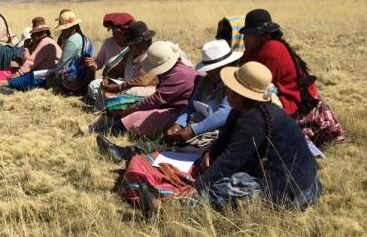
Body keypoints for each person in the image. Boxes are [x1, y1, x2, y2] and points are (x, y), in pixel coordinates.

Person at [193, 62, 322, 210]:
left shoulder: (254, 119)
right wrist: (211, 152)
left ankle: (185, 204)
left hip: (294, 190)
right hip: (305, 180)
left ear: (239, 94)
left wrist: (198, 187)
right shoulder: (241, 110)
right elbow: (225, 140)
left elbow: (232, 160)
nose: (226, 91)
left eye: (230, 88)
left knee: (218, 190)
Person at [97, 39, 242, 161]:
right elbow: (191, 105)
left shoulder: (234, 84)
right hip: (197, 123)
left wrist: (193, 131)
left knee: (184, 148)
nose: (209, 72)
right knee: (169, 140)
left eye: (213, 69)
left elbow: (223, 114)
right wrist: (179, 124)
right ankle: (127, 153)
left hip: (218, 133)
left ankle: (136, 157)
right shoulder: (207, 81)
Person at [240, 9, 344, 145]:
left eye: (249, 35)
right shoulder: (256, 50)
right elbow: (243, 67)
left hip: (295, 106)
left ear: (264, 36)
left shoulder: (271, 51)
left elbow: (257, 86)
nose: (244, 39)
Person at [99, 41, 198, 138]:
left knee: (138, 116)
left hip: (181, 111)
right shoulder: (174, 70)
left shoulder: (179, 74)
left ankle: (101, 129)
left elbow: (156, 100)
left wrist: (130, 110)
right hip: (172, 106)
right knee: (128, 104)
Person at [0, 17, 62, 91]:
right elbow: (26, 62)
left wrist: (17, 74)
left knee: (27, 77)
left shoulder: (46, 42)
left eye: (36, 33)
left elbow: (31, 62)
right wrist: (26, 47)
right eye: (33, 33)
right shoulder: (37, 43)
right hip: (40, 72)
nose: (33, 36)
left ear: (43, 33)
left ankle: (1, 84)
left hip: (49, 75)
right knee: (14, 71)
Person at [52, 10, 94, 94]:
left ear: (71, 28)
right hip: (85, 75)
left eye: (64, 29)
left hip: (76, 78)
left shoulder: (73, 40)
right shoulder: (80, 36)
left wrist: (55, 76)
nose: (62, 31)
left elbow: (64, 62)